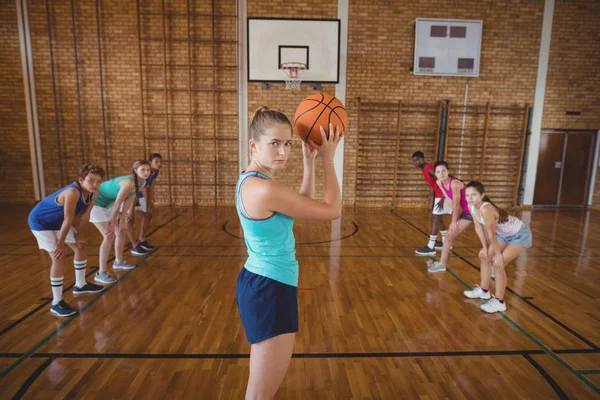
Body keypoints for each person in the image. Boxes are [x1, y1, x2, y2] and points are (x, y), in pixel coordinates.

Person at [235, 107, 342, 399]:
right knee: (260, 394)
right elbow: (332, 211)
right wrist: (329, 161)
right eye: (275, 143)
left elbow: (299, 205)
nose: (283, 151)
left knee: (261, 389)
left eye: (288, 144)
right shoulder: (264, 190)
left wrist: (309, 162)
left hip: (263, 283)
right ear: (253, 145)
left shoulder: (253, 181)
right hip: (269, 288)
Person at [28, 164, 106, 317]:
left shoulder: (92, 193)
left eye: (98, 181)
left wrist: (78, 235)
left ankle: (80, 284)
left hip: (59, 223)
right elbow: (68, 219)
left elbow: (84, 217)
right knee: (58, 257)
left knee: (81, 247)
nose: (95, 184)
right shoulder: (72, 193)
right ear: (81, 180)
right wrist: (60, 244)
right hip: (41, 222)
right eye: (91, 180)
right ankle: (57, 302)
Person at [463, 181, 532, 313]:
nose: (470, 198)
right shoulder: (472, 207)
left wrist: (498, 255)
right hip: (503, 235)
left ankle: (500, 302)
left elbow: (491, 233)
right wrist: (484, 247)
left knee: (498, 263)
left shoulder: (486, 209)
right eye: (467, 195)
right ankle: (484, 290)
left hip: (519, 234)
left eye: (474, 195)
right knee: (485, 257)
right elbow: (478, 228)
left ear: (482, 195)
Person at [90, 160, 151, 284]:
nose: (146, 172)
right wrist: (113, 220)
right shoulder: (129, 183)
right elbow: (118, 202)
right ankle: (101, 273)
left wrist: (123, 216)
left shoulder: (142, 182)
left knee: (121, 231)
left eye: (148, 170)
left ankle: (118, 262)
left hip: (109, 205)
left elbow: (130, 198)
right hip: (96, 204)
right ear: (135, 171)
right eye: (143, 170)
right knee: (109, 236)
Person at [428, 161, 472, 273]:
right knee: (448, 236)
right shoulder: (439, 182)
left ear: (448, 172)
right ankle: (442, 264)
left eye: (444, 171)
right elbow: (450, 200)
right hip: (467, 213)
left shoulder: (454, 184)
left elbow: (456, 205)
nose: (441, 173)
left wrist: (453, 222)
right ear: (436, 174)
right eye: (438, 171)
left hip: (474, 212)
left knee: (490, 238)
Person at [411, 151, 451, 255]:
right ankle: (444, 242)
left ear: (422, 159)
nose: (414, 163)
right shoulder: (424, 168)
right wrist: (431, 194)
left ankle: (430, 246)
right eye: (413, 161)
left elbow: (444, 179)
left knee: (435, 218)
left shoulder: (428, 168)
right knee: (440, 219)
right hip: (439, 194)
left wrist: (443, 197)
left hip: (442, 195)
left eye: (416, 160)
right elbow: (435, 182)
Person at [128, 153, 162, 255]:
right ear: (150, 162)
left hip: (138, 194)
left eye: (161, 162)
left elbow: (150, 189)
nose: (159, 164)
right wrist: (131, 209)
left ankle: (142, 240)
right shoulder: (142, 175)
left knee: (148, 214)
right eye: (157, 162)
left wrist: (148, 205)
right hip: (129, 195)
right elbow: (133, 192)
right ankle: (134, 245)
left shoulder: (154, 172)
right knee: (129, 219)